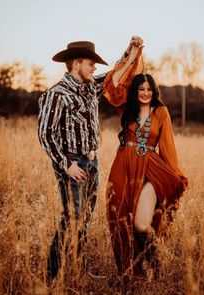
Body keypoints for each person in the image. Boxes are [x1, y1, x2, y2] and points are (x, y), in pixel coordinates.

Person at [38, 37, 142, 281]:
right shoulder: (56, 94)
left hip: (92, 162)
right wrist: (66, 165)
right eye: (91, 64)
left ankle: (76, 269)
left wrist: (130, 53)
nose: (95, 67)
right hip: (72, 164)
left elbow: (112, 76)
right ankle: (52, 275)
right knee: (73, 217)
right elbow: (46, 134)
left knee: (83, 218)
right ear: (76, 64)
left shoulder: (88, 87)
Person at [103, 45, 188, 287]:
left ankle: (157, 267)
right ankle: (135, 275)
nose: (145, 92)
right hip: (123, 168)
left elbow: (168, 147)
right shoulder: (126, 110)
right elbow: (112, 87)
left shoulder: (161, 113)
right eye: (141, 88)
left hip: (151, 170)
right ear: (135, 91)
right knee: (121, 223)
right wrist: (131, 58)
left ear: (154, 91)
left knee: (141, 224)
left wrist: (175, 175)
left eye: (149, 89)